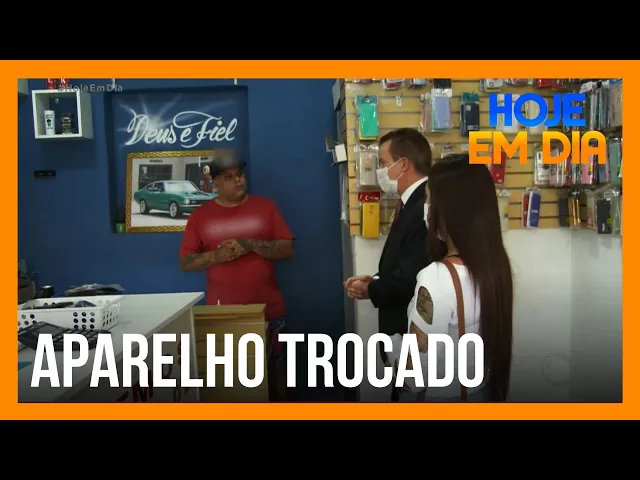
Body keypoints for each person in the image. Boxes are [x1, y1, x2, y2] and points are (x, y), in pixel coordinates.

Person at [178, 153, 295, 401]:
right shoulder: (200, 216)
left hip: (270, 311)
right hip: (222, 315)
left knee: (277, 374)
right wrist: (217, 255)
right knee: (229, 384)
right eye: (229, 177)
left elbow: (288, 249)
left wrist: (251, 244)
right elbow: (185, 262)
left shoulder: (266, 207)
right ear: (215, 183)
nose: (238, 180)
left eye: (240, 175)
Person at [398, 153, 513, 402]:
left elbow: (416, 372)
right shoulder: (496, 267)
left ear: (447, 211)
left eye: (428, 199)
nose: (425, 207)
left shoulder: (436, 278)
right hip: (480, 392)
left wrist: (395, 359)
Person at [344, 128, 432, 401]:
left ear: (403, 164)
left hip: (414, 336)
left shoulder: (424, 207)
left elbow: (413, 278)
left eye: (383, 163)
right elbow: (404, 262)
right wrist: (375, 280)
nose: (380, 171)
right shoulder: (409, 204)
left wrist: (371, 290)